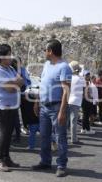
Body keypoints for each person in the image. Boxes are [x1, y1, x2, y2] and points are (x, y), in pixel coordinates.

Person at [32, 39, 72, 177]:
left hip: (56, 107)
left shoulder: (64, 67)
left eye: (45, 50)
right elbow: (41, 84)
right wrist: (37, 101)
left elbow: (66, 91)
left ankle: (61, 165)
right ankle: (45, 161)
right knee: (44, 136)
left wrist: (62, 111)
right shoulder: (47, 65)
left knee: (60, 137)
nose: (44, 52)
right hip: (44, 106)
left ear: (50, 51)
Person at [0, 44, 24, 172]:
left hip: (13, 106)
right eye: (9, 54)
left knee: (9, 134)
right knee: (4, 134)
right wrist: (16, 83)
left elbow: (21, 81)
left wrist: (15, 83)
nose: (11, 57)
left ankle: (6, 158)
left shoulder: (9, 68)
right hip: (3, 107)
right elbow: (10, 89)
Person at [67, 61, 85, 143]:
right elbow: (84, 90)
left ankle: (63, 137)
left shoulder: (69, 77)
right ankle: (74, 138)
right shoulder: (81, 78)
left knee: (66, 121)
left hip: (68, 100)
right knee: (73, 121)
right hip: (76, 101)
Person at [81, 70, 96, 134]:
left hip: (86, 100)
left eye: (88, 75)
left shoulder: (88, 82)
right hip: (86, 100)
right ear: (83, 76)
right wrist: (91, 97)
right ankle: (87, 129)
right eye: (87, 75)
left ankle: (84, 128)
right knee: (86, 115)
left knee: (85, 115)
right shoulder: (84, 82)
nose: (88, 76)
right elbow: (85, 92)